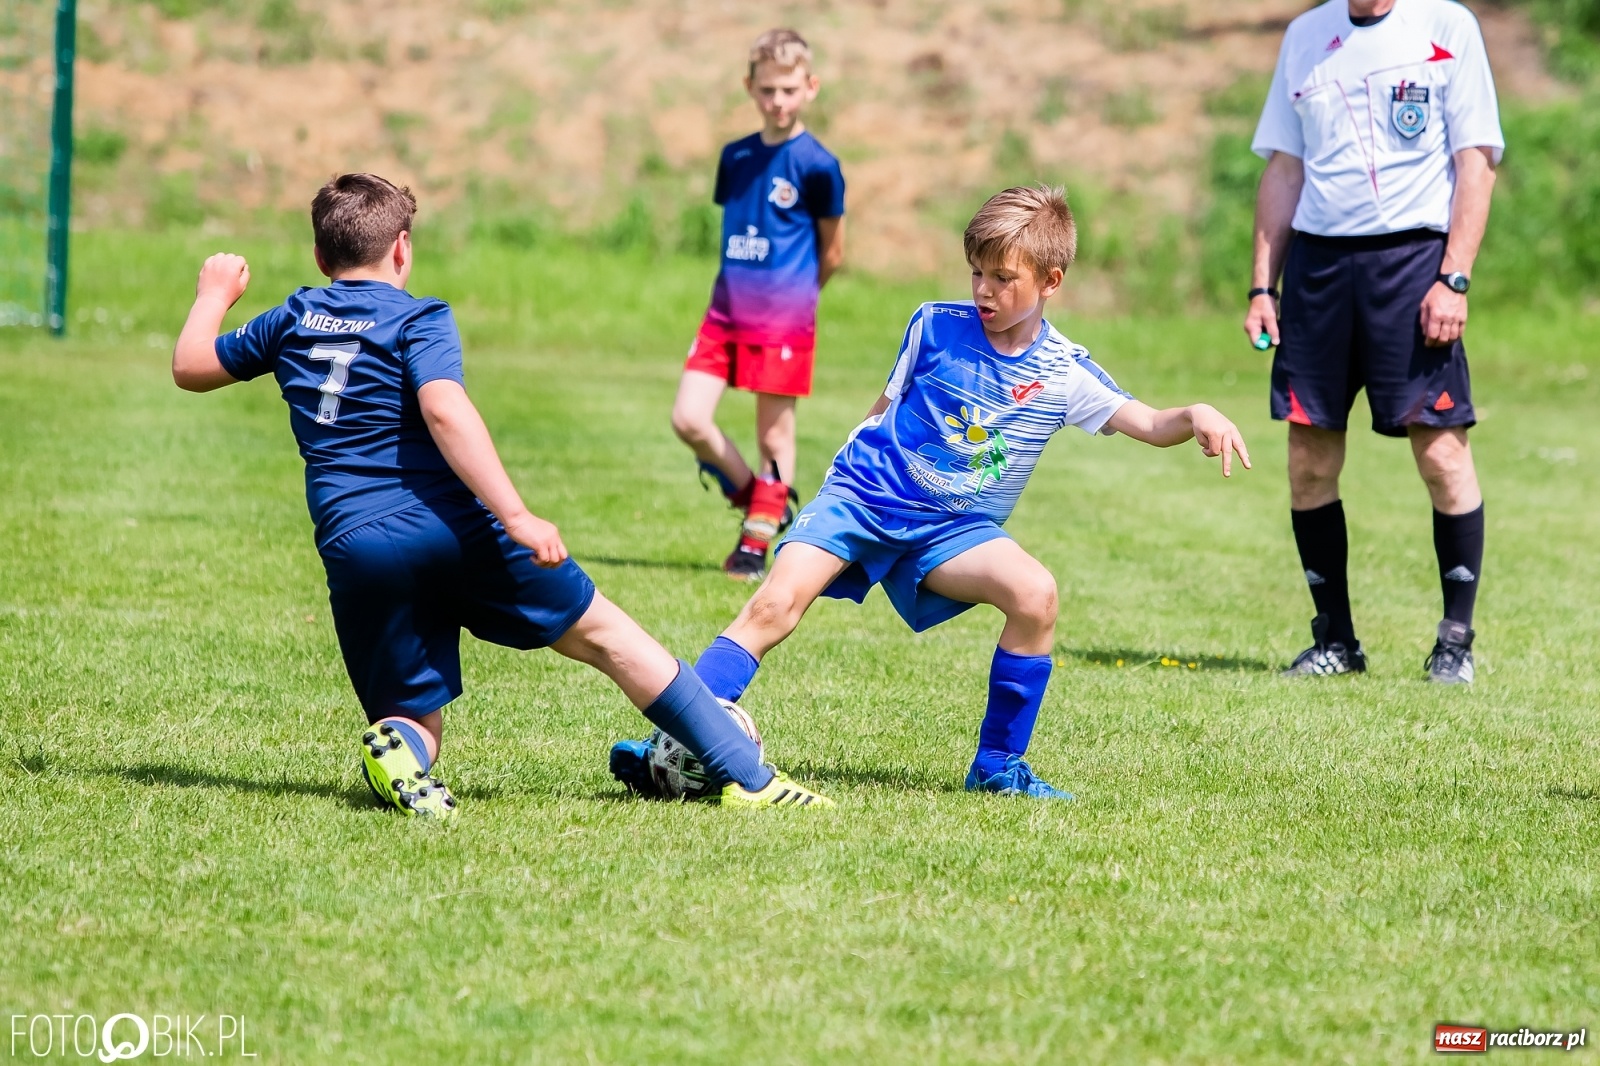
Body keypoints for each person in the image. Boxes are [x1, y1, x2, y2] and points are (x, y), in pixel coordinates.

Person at [170, 173, 832, 816]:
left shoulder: (290, 318)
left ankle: (396, 753)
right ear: (402, 247)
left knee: (412, 713)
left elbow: (191, 368)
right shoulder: (417, 318)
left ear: (320, 256)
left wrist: (214, 294)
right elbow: (446, 411)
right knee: (610, 637)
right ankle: (749, 779)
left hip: (354, 544)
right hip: (450, 526)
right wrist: (515, 514)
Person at [613, 186, 1251, 801]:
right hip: (863, 496)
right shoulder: (933, 324)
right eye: (977, 272)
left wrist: (1194, 413)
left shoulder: (1064, 372)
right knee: (773, 605)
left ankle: (999, 767)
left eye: (1004, 278)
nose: (984, 291)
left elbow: (1145, 422)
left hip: (952, 529)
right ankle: (664, 745)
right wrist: (838, 487)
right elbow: (881, 410)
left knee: (1036, 595)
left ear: (1050, 282)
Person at [1245, 0, 1502, 683]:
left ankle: (1455, 640)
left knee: (1442, 452)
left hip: (1414, 266)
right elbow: (1284, 168)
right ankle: (1336, 640)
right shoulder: (1306, 36)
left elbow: (1475, 164)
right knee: (1308, 457)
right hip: (1319, 271)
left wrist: (1454, 277)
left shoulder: (1446, 27)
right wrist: (1261, 288)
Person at [670, 28, 847, 581]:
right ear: (750, 87)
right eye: (768, 89)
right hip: (724, 311)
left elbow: (833, 251)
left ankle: (756, 541)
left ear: (811, 88)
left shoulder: (819, 165)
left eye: (790, 89)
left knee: (774, 434)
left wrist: (795, 301)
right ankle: (761, 499)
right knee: (689, 418)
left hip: (784, 319)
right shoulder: (736, 156)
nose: (778, 101)